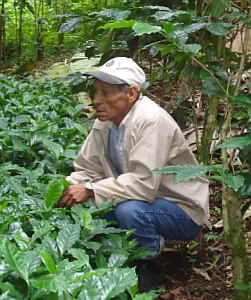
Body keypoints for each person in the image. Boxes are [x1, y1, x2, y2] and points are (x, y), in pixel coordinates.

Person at [58, 57, 210, 292]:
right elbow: (87, 168)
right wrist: (63, 189)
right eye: (95, 92)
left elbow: (143, 184)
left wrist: (90, 190)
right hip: (143, 200)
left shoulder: (151, 120)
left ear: (131, 93)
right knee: (90, 208)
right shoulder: (105, 123)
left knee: (128, 210)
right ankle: (113, 255)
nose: (96, 100)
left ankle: (148, 264)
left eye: (105, 93)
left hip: (181, 209)